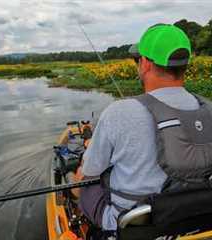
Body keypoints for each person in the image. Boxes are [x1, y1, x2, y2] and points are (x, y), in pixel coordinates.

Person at [78, 24, 212, 231]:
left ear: (146, 63)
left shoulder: (117, 112)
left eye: (137, 59)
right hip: (196, 217)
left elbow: (91, 171)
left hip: (134, 224)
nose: (138, 64)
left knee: (84, 180)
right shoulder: (209, 108)